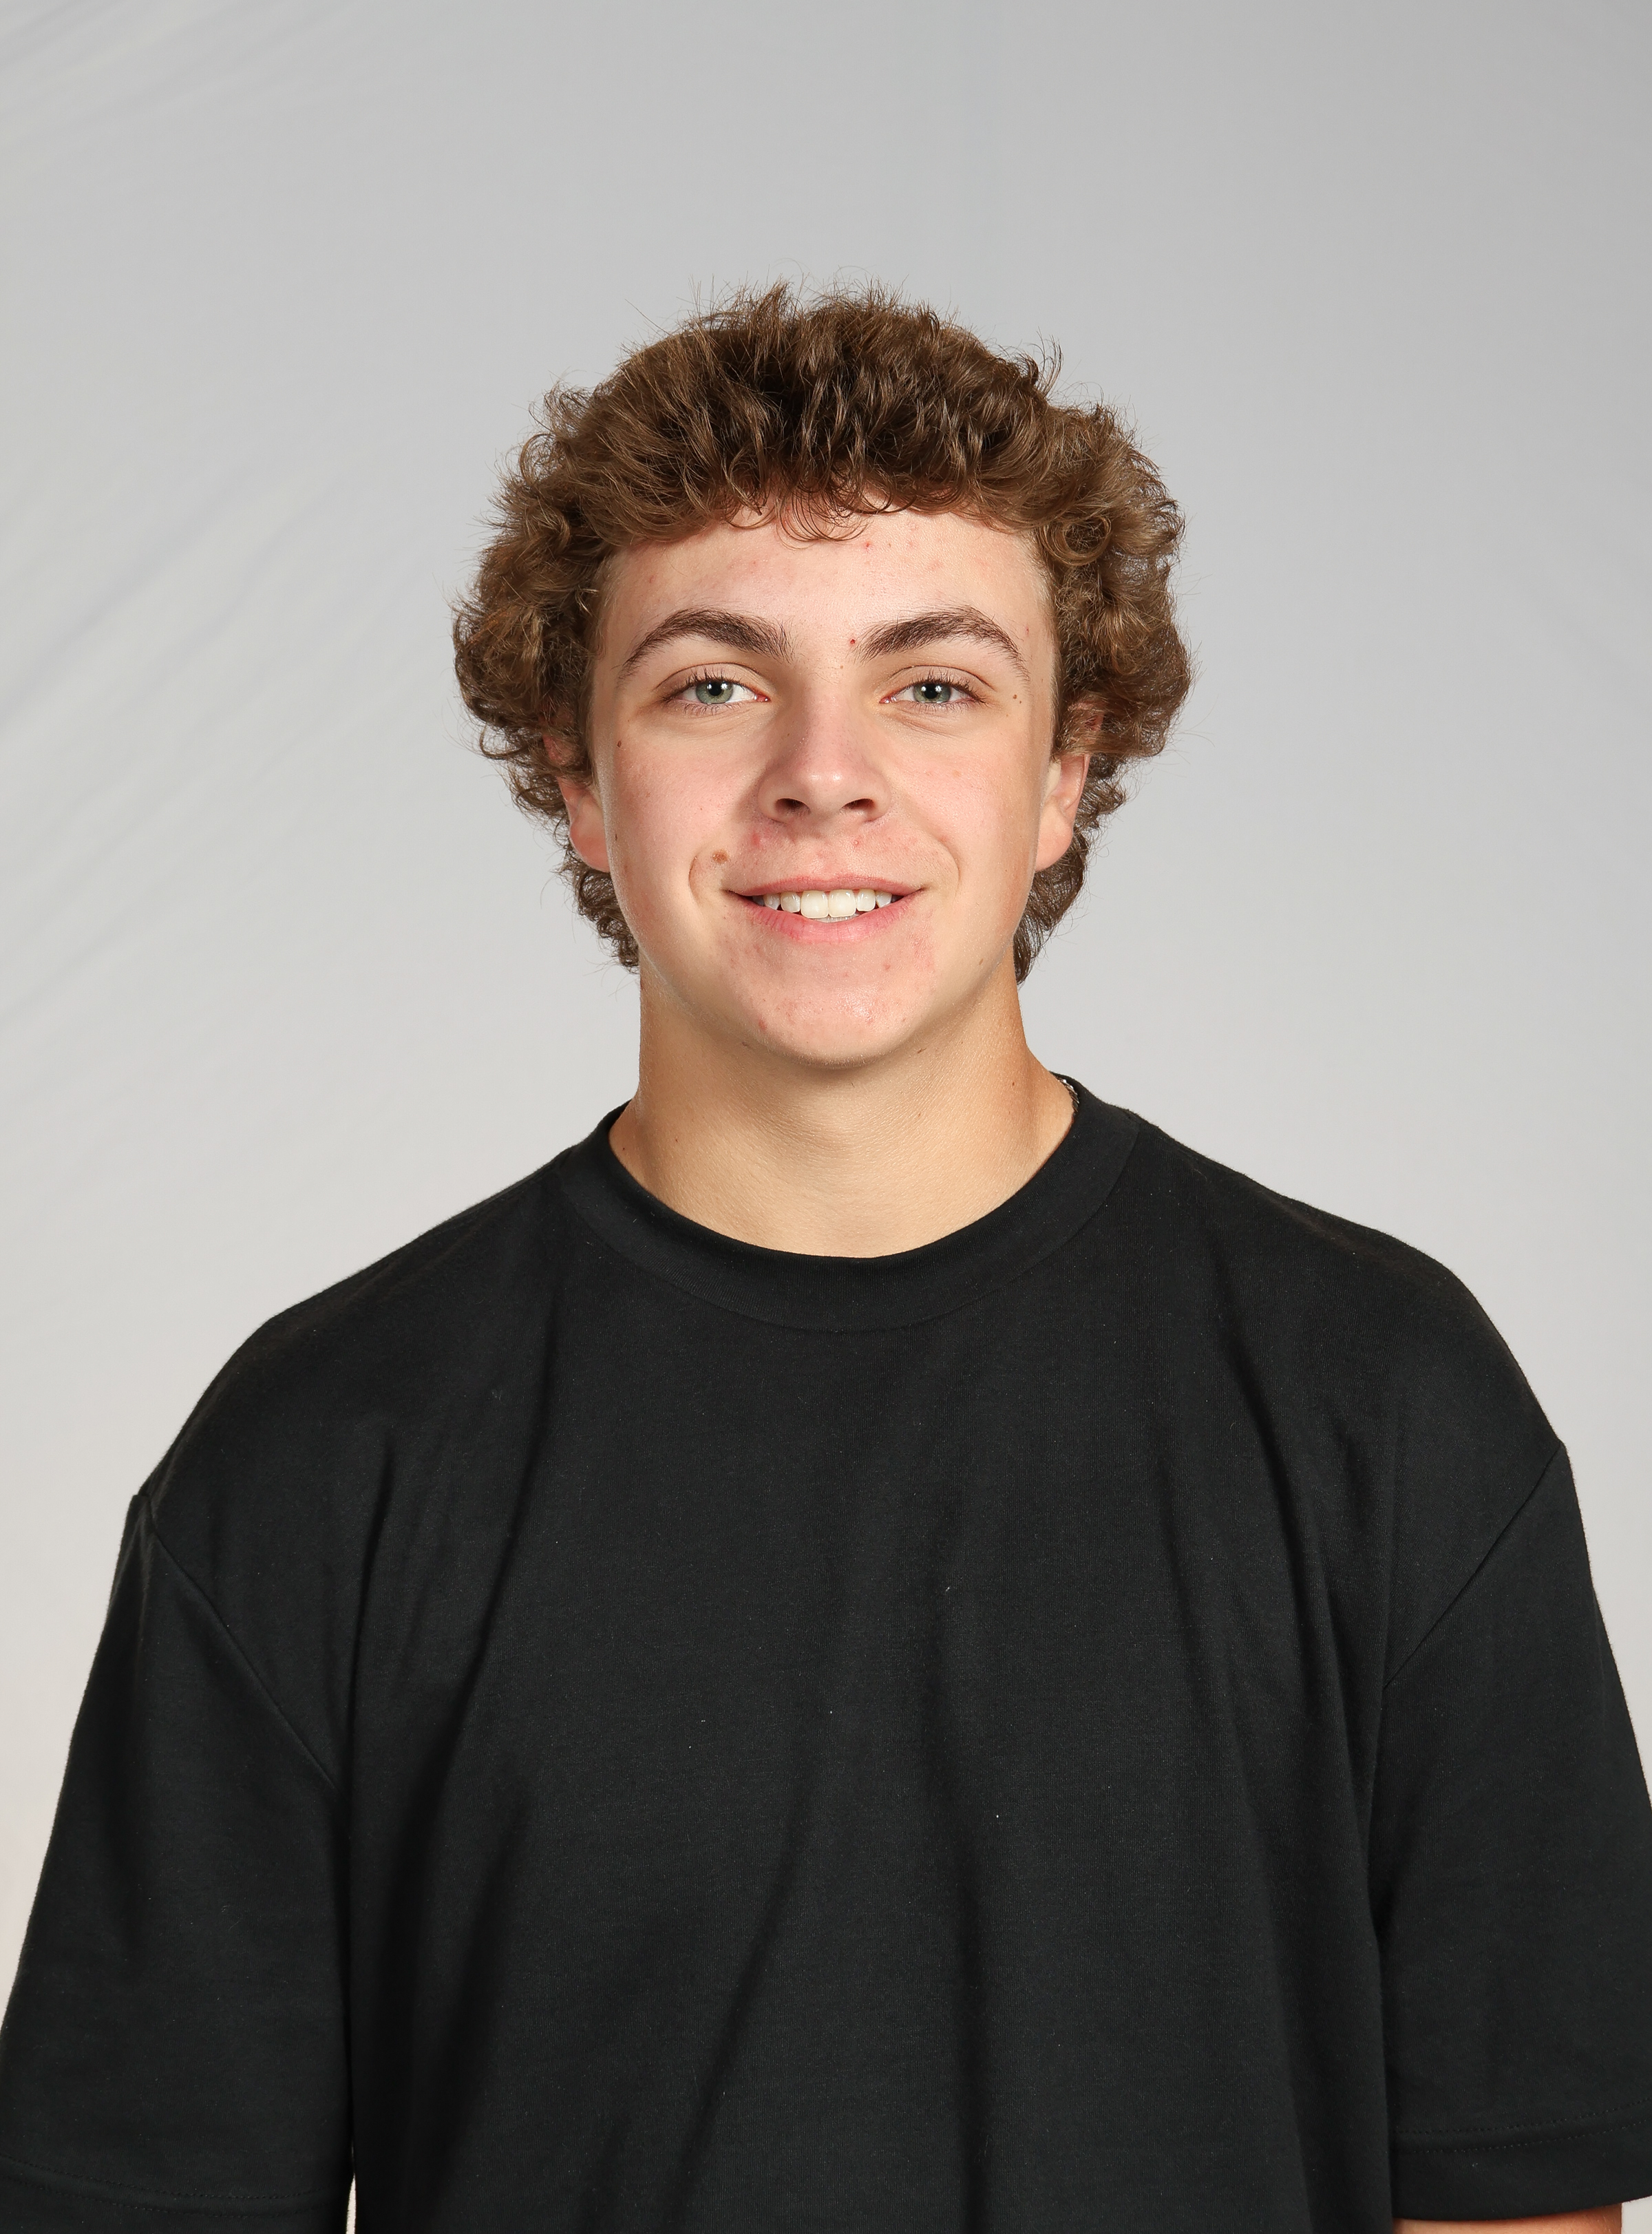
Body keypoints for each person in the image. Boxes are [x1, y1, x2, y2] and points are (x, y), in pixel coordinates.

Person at [1, 286, 1648, 2234]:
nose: (822, 774)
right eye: (713, 684)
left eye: (933, 685)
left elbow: (1517, 2202)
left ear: (1063, 774)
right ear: (578, 779)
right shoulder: (318, 1457)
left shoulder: (1385, 1404)